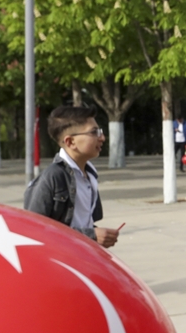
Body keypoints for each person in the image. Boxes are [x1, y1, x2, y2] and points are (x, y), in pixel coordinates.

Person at [24, 106, 120, 248]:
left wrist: (98, 234)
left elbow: (80, 222)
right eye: (94, 132)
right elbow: (33, 229)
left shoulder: (90, 175)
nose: (102, 138)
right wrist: (91, 235)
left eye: (100, 131)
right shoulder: (53, 176)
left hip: (83, 254)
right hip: (61, 260)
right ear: (70, 142)